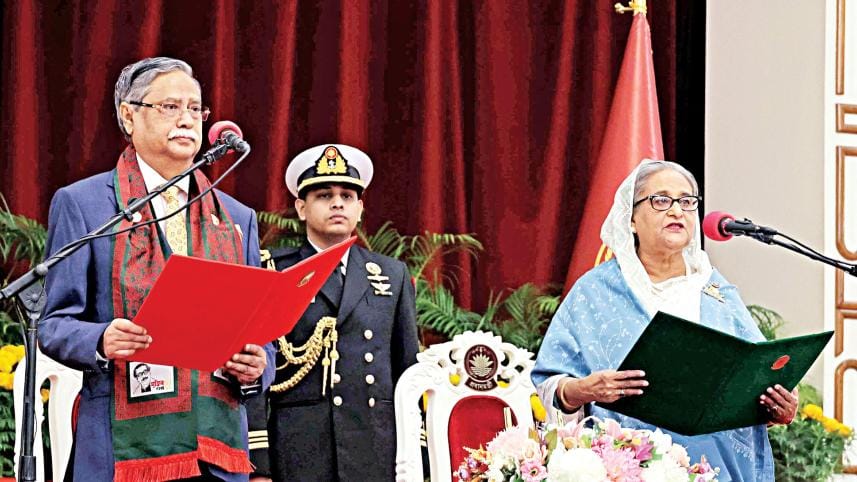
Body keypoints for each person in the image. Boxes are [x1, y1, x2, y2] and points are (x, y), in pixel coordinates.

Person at [38, 57, 275, 482]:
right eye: (170, 107)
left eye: (195, 109)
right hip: (124, 450)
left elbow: (261, 335)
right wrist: (101, 337)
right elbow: (55, 324)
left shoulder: (236, 218)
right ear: (128, 115)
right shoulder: (87, 205)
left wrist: (259, 364)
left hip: (215, 449)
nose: (187, 120)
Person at [532, 160, 798, 481]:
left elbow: (754, 384)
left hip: (722, 469)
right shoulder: (595, 292)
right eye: (661, 200)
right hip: (627, 467)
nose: (677, 211)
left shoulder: (719, 292)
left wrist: (777, 408)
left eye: (687, 202)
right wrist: (584, 390)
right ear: (630, 219)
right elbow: (548, 387)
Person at [247, 144, 420, 482]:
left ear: (360, 208)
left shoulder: (391, 275)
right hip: (298, 449)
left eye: (348, 195)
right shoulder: (273, 272)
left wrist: (418, 453)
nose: (338, 203)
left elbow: (407, 373)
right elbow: (254, 376)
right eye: (324, 195)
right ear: (301, 207)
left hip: (374, 448)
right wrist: (259, 465)